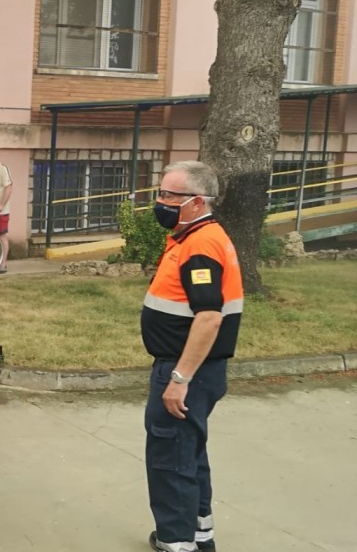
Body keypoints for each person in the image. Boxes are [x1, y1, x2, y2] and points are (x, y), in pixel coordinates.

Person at [142, 161, 242, 552]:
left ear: (197, 202)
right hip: (198, 370)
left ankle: (177, 542)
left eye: (169, 195)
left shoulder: (201, 246)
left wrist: (178, 380)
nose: (161, 201)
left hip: (186, 371)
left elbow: (208, 318)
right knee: (190, 453)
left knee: (171, 459)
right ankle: (199, 534)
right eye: (161, 192)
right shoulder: (200, 237)